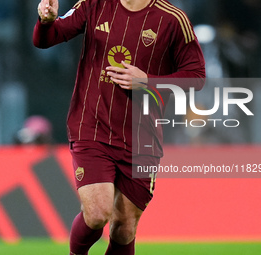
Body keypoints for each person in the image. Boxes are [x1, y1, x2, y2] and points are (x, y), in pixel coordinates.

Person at [34, 0, 205, 254]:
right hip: (92, 127)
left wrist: (147, 81)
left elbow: (196, 77)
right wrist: (46, 22)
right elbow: (47, 39)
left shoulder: (173, 20)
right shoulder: (94, 5)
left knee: (124, 228)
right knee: (97, 213)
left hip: (141, 138)